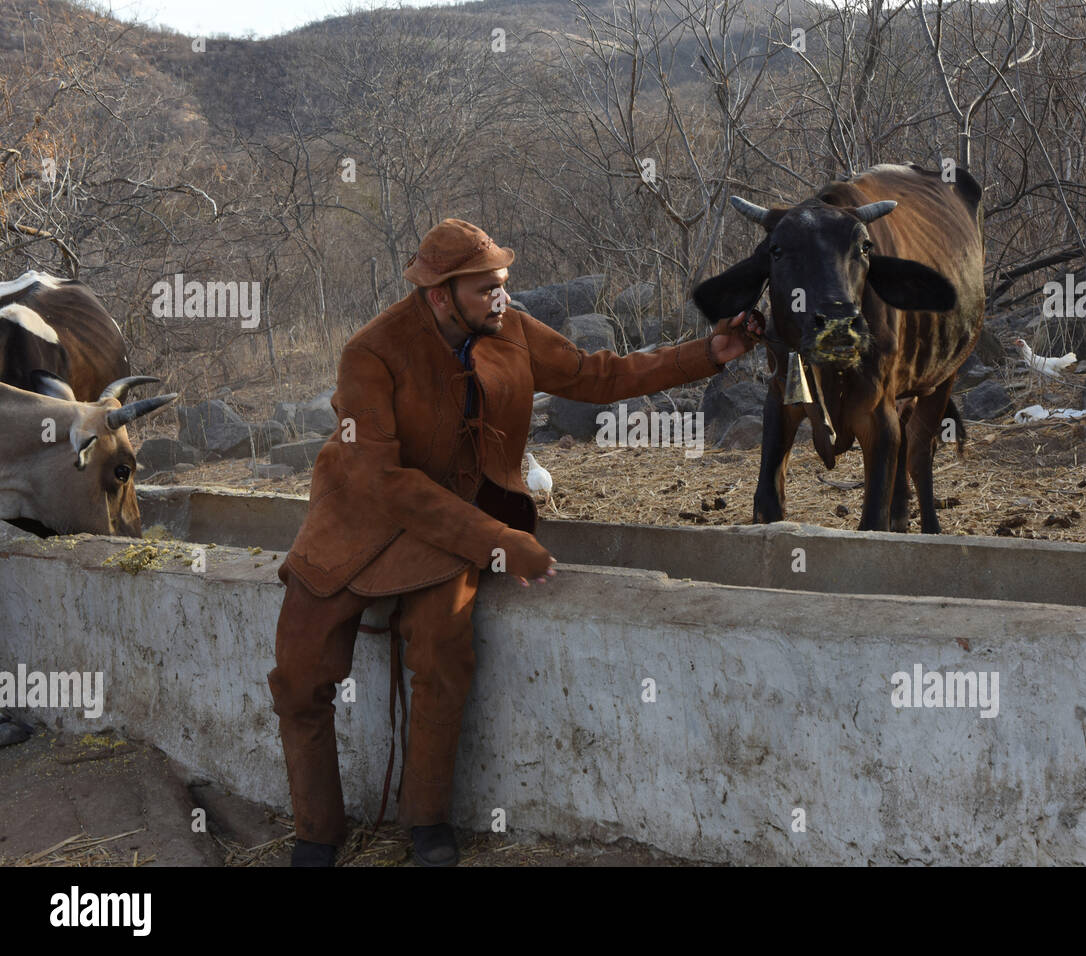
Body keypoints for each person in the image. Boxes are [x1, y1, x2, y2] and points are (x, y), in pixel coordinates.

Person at [268, 218, 762, 867]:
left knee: (443, 652)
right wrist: (497, 538)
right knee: (299, 674)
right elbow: (380, 478)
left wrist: (707, 354)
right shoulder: (372, 351)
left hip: (451, 521)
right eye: (485, 290)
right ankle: (315, 833)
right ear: (441, 295)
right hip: (357, 515)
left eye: (504, 284)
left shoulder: (512, 330)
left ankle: (427, 825)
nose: (502, 299)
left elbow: (597, 375)